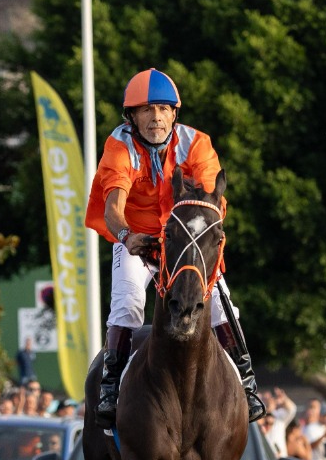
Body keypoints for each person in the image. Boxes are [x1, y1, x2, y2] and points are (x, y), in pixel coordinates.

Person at [84, 67, 266, 427]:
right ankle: (109, 387)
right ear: (131, 117)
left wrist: (194, 233)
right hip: (137, 240)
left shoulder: (196, 143)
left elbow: (212, 196)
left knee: (220, 305)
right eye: (147, 110)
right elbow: (112, 208)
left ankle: (247, 385)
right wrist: (126, 237)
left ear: (174, 114)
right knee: (128, 303)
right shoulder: (118, 146)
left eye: (164, 109)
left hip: (183, 239)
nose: (156, 117)